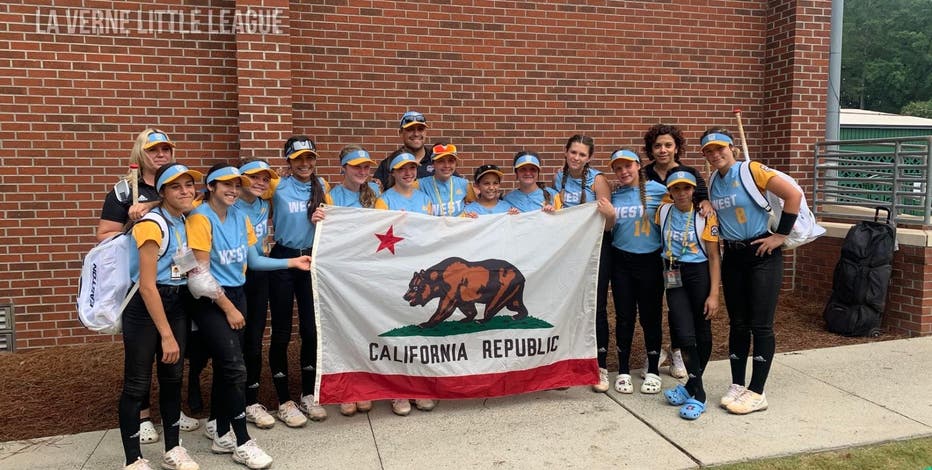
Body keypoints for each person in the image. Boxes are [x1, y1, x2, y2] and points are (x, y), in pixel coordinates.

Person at [186, 164, 311, 469]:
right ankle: (242, 441)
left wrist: (293, 262)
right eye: (224, 184)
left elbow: (254, 261)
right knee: (234, 367)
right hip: (212, 298)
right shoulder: (199, 217)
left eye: (234, 184)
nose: (231, 189)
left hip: (238, 293)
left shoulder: (242, 218)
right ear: (211, 187)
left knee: (229, 364)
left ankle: (217, 423)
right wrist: (228, 307)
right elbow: (198, 277)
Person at [98, 129, 199, 445]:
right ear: (140, 153)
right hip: (143, 282)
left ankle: (171, 416)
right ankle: (142, 417)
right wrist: (135, 229)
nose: (161, 154)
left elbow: (193, 204)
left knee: (173, 364)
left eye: (166, 149)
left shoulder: (177, 184)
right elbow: (104, 236)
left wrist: (155, 203)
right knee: (140, 366)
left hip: (177, 284)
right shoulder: (124, 191)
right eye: (154, 149)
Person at [701, 128, 801, 415]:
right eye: (709, 151)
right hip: (733, 256)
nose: (716, 154)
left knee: (761, 324)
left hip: (762, 254)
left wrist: (780, 236)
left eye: (721, 148)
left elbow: (793, 195)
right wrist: (707, 202)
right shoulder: (713, 181)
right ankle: (737, 383)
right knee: (738, 323)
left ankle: (757, 391)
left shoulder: (751, 170)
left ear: (733, 148)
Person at [119, 163, 202, 470]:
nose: (186, 191)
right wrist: (166, 334)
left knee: (172, 378)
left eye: (189, 185)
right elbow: (147, 285)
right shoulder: (151, 225)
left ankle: (173, 448)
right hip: (145, 307)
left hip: (176, 301)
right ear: (163, 191)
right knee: (136, 384)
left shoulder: (183, 218)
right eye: (176, 186)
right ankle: (133, 459)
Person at [641, 123, 713, 380]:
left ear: (677, 147)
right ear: (651, 148)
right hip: (652, 248)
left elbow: (704, 200)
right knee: (651, 303)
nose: (663, 150)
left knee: (677, 308)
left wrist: (705, 201)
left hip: (683, 253)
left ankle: (677, 351)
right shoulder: (642, 174)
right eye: (657, 145)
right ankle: (654, 349)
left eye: (668, 145)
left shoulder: (688, 173)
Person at [267, 136, 330, 425]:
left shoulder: (323, 186)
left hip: (311, 260)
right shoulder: (276, 185)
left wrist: (325, 217)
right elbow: (244, 191)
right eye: (298, 159)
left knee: (311, 328)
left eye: (309, 158)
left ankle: (308, 393)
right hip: (283, 258)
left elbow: (335, 222)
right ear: (288, 162)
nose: (305, 164)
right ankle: (283, 399)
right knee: (281, 329)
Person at [314, 145, 380, 416]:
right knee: (344, 330)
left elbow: (390, 225)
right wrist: (317, 218)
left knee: (368, 328)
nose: (362, 171)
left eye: (366, 167)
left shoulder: (375, 194)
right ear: (343, 168)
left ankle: (366, 386)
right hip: (342, 273)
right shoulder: (331, 196)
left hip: (370, 269)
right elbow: (326, 232)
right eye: (356, 167)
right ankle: (347, 389)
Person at [596, 149, 667, 395]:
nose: (623, 172)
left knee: (651, 317)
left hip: (650, 261)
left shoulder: (659, 191)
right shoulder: (615, 196)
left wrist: (704, 202)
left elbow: (684, 203)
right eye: (618, 168)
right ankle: (624, 370)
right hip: (621, 262)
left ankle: (654, 370)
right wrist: (608, 216)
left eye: (628, 166)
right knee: (625, 317)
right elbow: (607, 227)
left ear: (638, 166)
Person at [373, 152, 434, 416]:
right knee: (399, 329)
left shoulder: (425, 199)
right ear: (393, 173)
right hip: (395, 270)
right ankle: (398, 391)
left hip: (420, 269)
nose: (408, 173)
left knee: (420, 330)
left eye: (412, 168)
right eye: (402, 169)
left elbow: (433, 232)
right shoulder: (383, 200)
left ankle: (419, 387)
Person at [656, 170, 721, 420]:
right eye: (676, 189)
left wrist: (714, 293)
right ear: (669, 192)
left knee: (702, 331)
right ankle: (696, 387)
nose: (681, 193)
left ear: (694, 190)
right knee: (683, 332)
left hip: (698, 273)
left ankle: (696, 392)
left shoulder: (705, 216)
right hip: (673, 272)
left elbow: (715, 257)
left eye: (686, 188)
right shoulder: (663, 211)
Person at [551, 135, 613, 393]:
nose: (576, 158)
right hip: (569, 251)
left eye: (582, 154)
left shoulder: (597, 180)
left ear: (589, 158)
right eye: (573, 152)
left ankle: (601, 366)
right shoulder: (559, 177)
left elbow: (608, 222)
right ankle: (567, 365)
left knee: (595, 305)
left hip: (597, 249)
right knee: (568, 305)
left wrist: (609, 215)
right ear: (566, 152)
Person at [234, 159, 279, 430]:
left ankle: (251, 401)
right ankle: (232, 400)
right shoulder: (230, 203)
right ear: (239, 180)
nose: (261, 182)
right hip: (235, 277)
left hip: (259, 275)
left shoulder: (265, 203)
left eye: (265, 178)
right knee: (234, 341)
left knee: (254, 338)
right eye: (254, 178)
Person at [373, 111, 434, 190]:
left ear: (426, 132)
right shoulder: (389, 164)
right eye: (410, 129)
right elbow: (376, 191)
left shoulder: (437, 160)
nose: (416, 134)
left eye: (420, 129)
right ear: (401, 132)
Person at [418, 143, 475, 217]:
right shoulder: (420, 185)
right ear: (433, 164)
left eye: (451, 161)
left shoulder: (464, 184)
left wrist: (471, 214)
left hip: (457, 228)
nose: (447, 165)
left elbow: (475, 206)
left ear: (456, 164)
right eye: (441, 161)